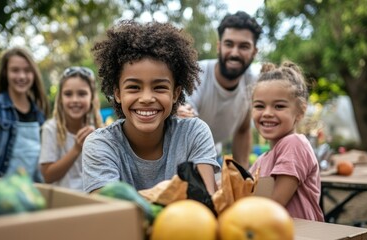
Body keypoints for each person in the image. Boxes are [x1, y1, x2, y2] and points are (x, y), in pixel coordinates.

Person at [83, 20, 221, 195]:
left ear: (175, 94)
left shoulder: (193, 134)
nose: (147, 98)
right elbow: (108, 215)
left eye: (159, 87)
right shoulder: (100, 145)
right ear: (117, 93)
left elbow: (205, 202)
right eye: (134, 87)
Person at [177, 11, 262, 169]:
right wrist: (182, 111)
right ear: (219, 46)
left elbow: (243, 129)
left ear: (254, 52)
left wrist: (242, 176)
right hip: (178, 157)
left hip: (212, 156)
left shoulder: (253, 83)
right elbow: (185, 116)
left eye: (244, 46)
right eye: (229, 44)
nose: (235, 53)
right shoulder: (198, 74)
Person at [249, 61, 324, 221]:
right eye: (260, 106)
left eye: (279, 106)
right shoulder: (261, 161)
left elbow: (275, 204)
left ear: (300, 111)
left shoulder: (294, 144)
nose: (267, 113)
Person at [0, 47, 49, 182]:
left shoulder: (39, 113)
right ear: (5, 73)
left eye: (27, 70)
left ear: (34, 74)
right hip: (2, 193)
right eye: (15, 70)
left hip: (34, 191)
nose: (21, 76)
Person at [39, 66, 102, 191]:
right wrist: (77, 148)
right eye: (68, 94)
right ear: (60, 99)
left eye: (82, 94)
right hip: (62, 202)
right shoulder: (50, 129)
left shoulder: (99, 129)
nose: (75, 100)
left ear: (92, 98)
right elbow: (47, 176)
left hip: (91, 202)